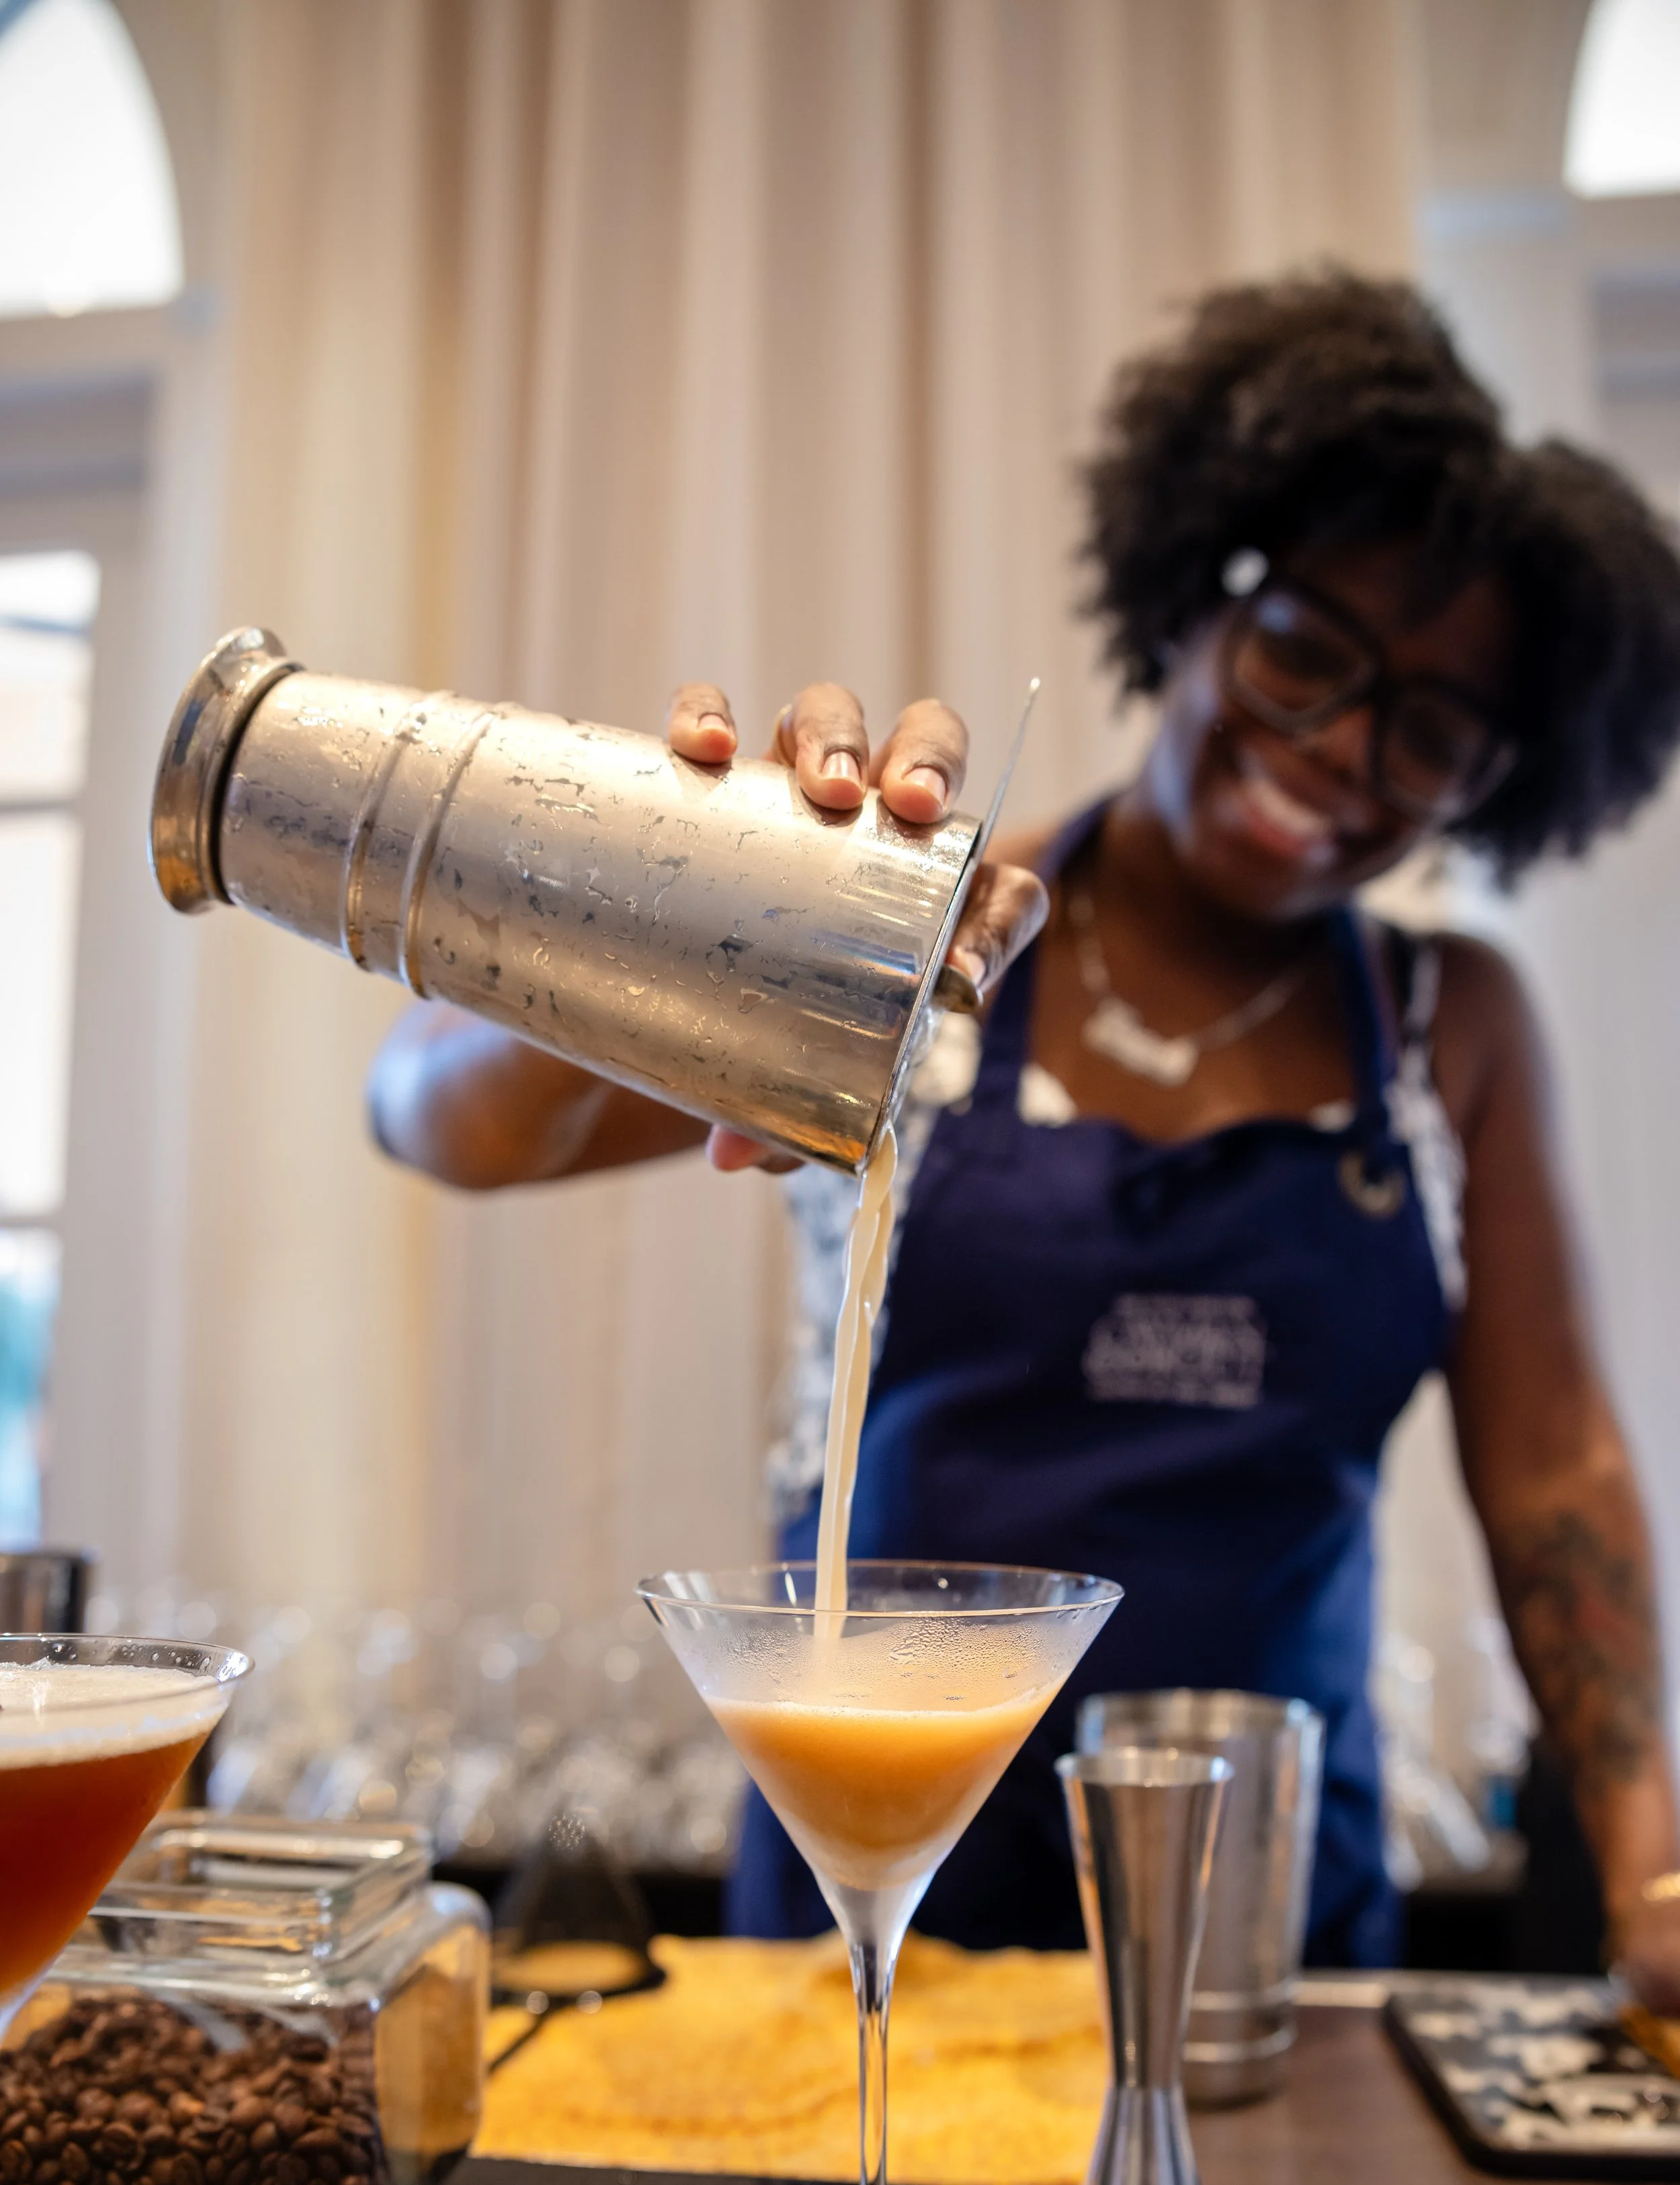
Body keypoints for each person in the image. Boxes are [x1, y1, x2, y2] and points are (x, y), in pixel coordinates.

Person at [369, 271, 1680, 2003]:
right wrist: (687, 904)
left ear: (1495, 778)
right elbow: (432, 1119)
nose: (1338, 756)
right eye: (1304, 653)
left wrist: (1652, 1859)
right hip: (864, 1948)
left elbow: (1556, 1472)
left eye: (1429, 728)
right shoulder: (906, 939)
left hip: (1259, 1962)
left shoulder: (1456, 1030)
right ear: (1196, 601)